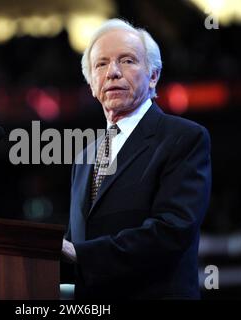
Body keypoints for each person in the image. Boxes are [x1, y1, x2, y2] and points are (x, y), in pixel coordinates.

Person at [61, 18, 212, 299]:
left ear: (153, 75)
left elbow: (170, 232)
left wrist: (80, 253)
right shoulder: (84, 157)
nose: (113, 72)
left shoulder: (184, 138)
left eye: (127, 61)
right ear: (92, 84)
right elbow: (74, 244)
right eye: (101, 64)